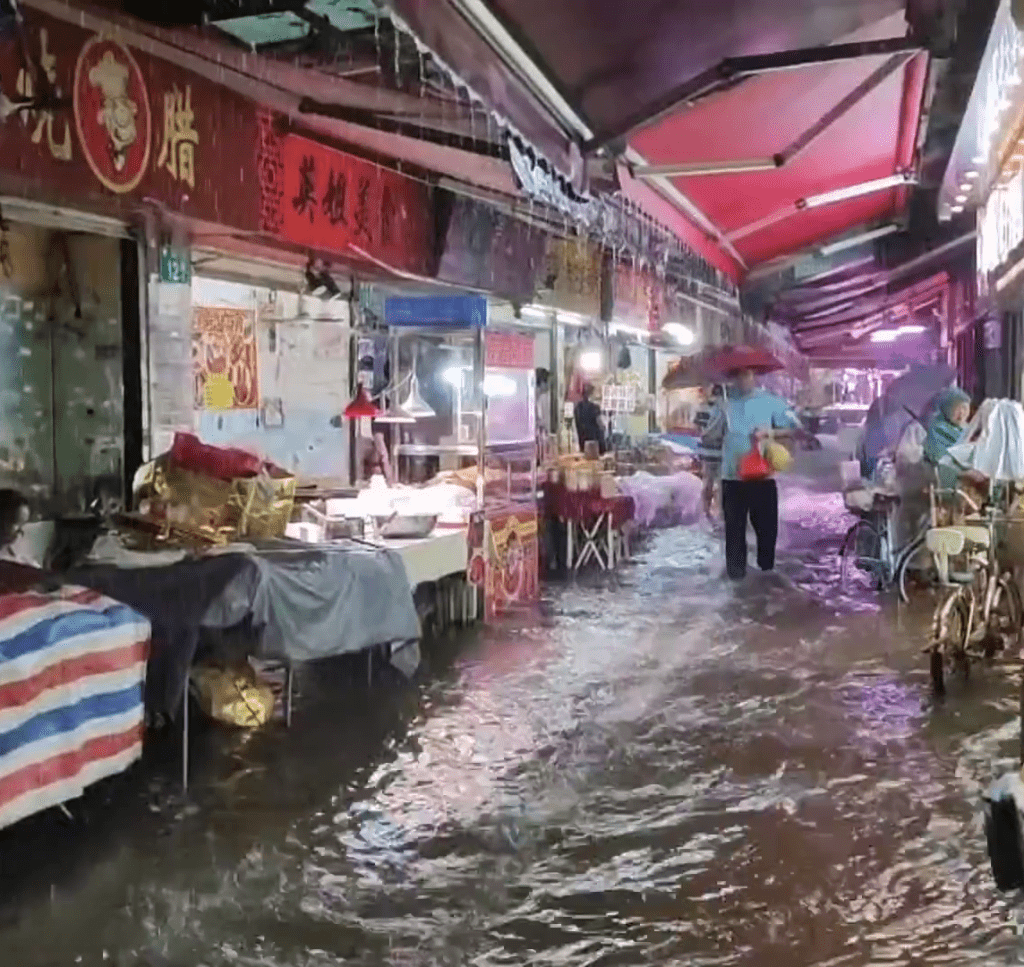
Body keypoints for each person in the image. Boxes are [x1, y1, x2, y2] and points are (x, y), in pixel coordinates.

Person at [719, 368, 800, 580]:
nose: (742, 379)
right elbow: (710, 436)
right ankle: (737, 585)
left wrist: (769, 432)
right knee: (734, 534)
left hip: (763, 478)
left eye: (746, 374)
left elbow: (794, 429)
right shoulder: (724, 403)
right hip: (732, 477)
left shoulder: (770, 401)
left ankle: (767, 581)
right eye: (737, 375)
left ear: (755, 375)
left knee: (767, 533)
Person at [923, 387, 986, 502]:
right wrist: (962, 473)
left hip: (970, 490)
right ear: (948, 408)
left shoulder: (967, 429)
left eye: (965, 408)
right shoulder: (937, 430)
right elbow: (940, 462)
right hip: (947, 493)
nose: (961, 413)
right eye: (957, 408)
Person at [574, 382, 606, 454]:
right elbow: (600, 424)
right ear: (591, 393)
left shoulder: (577, 407)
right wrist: (604, 428)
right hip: (595, 444)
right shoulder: (595, 407)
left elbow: (576, 427)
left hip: (583, 443)